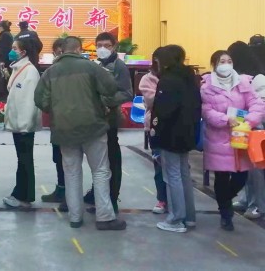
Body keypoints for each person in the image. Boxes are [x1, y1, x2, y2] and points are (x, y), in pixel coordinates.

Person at [34, 36, 126, 230]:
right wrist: (101, 102)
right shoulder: (92, 68)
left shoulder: (50, 72)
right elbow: (110, 88)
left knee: (72, 172)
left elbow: (40, 100)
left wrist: (57, 110)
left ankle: (75, 217)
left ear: (62, 50)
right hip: (93, 126)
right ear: (79, 50)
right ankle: (105, 217)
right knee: (100, 171)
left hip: (64, 129)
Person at [201, 49, 265, 231]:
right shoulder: (207, 87)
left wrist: (249, 120)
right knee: (221, 177)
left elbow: (257, 104)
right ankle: (226, 214)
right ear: (214, 64)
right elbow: (207, 112)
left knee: (241, 177)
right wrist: (225, 119)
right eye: (222, 61)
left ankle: (225, 200)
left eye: (229, 61)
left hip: (241, 137)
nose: (226, 64)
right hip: (219, 140)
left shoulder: (243, 82)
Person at [150, 45, 201, 233]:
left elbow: (163, 111)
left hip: (170, 135)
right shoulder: (190, 79)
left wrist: (155, 132)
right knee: (184, 175)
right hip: (187, 133)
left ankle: (176, 219)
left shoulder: (168, 81)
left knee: (172, 176)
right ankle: (189, 217)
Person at [84, 32, 133, 213]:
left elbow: (127, 93)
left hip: (110, 119)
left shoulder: (119, 66)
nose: (102, 49)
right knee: (99, 161)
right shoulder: (96, 65)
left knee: (112, 160)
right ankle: (98, 195)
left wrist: (105, 101)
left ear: (114, 46)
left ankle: (112, 199)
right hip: (96, 119)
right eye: (99, 45)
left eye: (107, 45)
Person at [227, 41, 265, 220]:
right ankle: (247, 199)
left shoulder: (258, 79)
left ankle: (258, 205)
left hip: (257, 131)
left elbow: (261, 107)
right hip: (243, 129)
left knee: (256, 169)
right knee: (246, 168)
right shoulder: (240, 79)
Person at [3, 38, 42, 209]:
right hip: (18, 124)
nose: (11, 51)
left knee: (25, 160)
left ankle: (24, 197)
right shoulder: (18, 68)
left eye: (15, 48)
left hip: (24, 126)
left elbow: (29, 101)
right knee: (22, 160)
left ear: (23, 52)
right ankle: (20, 193)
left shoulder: (30, 71)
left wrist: (25, 126)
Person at [139, 48, 168, 215]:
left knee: (179, 167)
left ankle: (178, 200)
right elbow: (152, 101)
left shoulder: (179, 78)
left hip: (177, 127)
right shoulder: (147, 79)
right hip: (155, 126)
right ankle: (162, 199)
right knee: (159, 165)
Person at [41, 38, 67, 208]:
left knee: (69, 160)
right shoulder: (52, 71)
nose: (59, 54)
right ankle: (61, 189)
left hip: (70, 121)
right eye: (57, 52)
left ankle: (69, 197)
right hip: (57, 121)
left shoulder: (76, 71)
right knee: (58, 157)